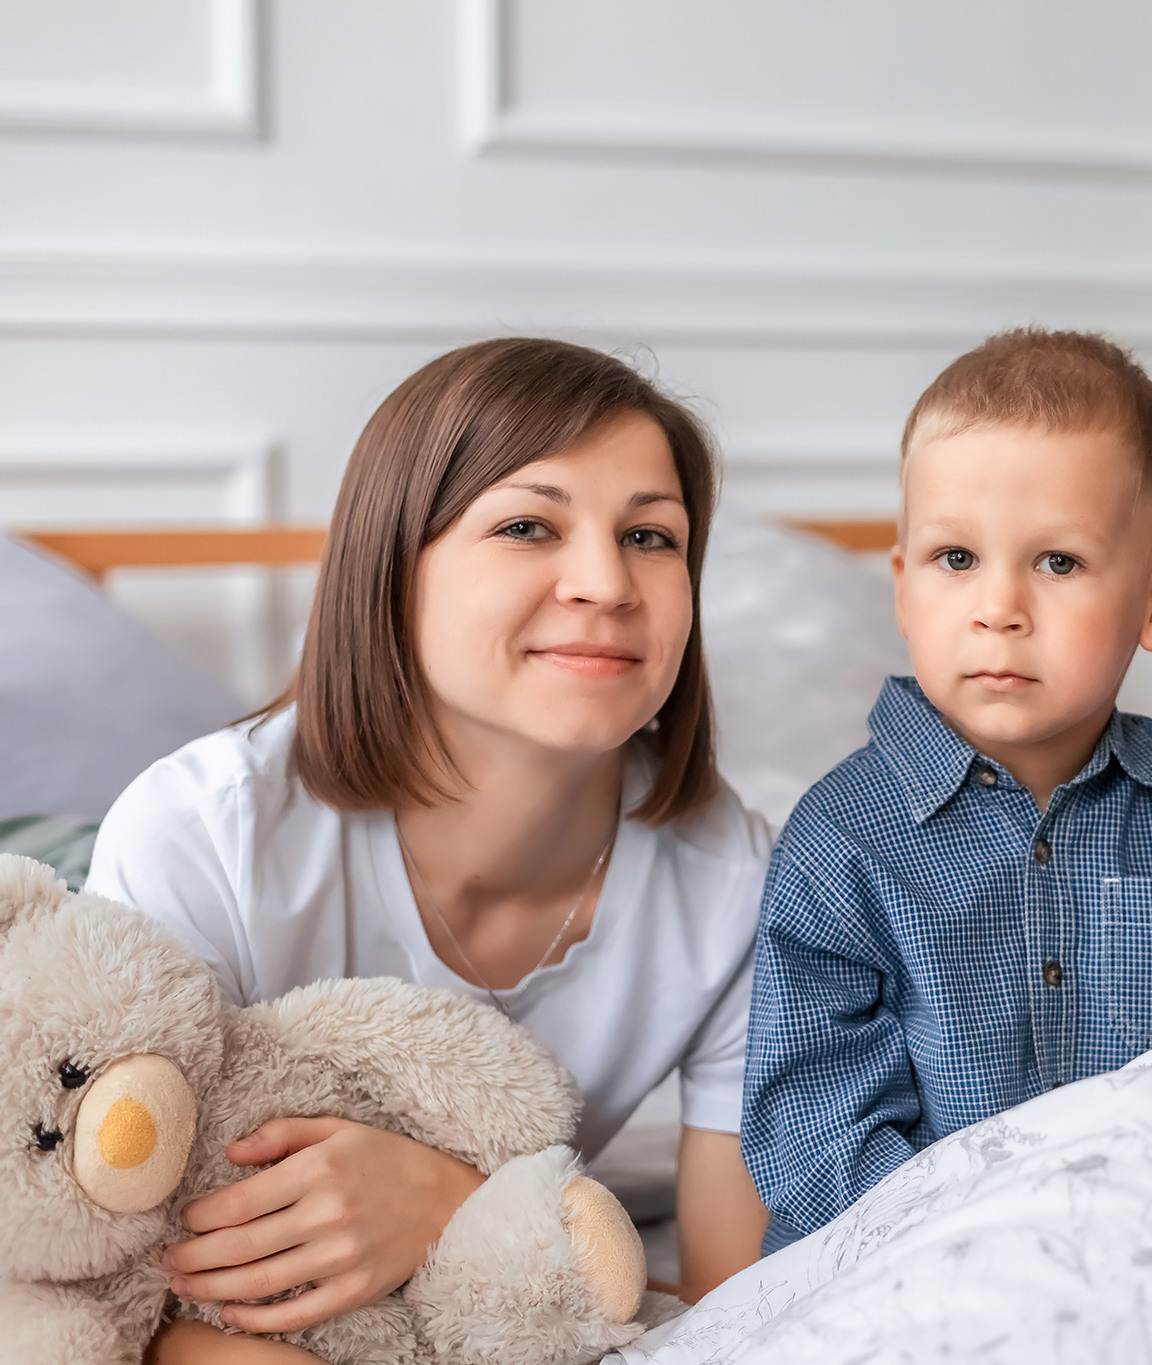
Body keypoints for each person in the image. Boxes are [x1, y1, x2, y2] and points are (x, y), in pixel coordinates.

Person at [88, 338, 773, 1363]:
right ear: (390, 567)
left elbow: (729, 1313)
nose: (605, 581)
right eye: (527, 526)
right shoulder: (203, 836)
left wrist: (461, 1208)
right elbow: (110, 1293)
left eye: (651, 536)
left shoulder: (740, 885)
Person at [740, 329, 1152, 1252]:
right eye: (955, 558)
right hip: (899, 1277)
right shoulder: (839, 840)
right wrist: (993, 1251)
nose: (998, 607)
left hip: (1143, 1251)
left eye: (1057, 562)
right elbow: (813, 1128)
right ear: (902, 591)